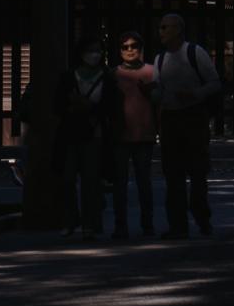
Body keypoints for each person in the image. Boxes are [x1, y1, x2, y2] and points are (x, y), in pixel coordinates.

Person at [153, 13, 220, 237]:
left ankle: (202, 217)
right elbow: (158, 89)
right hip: (171, 118)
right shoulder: (160, 59)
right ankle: (177, 224)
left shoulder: (194, 53)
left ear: (178, 30)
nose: (161, 31)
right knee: (173, 175)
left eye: (165, 27)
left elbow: (214, 83)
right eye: (160, 27)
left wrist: (194, 94)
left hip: (193, 117)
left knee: (198, 172)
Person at [55, 37, 116, 238]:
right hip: (70, 133)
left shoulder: (107, 77)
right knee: (67, 178)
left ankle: (91, 223)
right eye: (91, 50)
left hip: (94, 132)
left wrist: (89, 107)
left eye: (98, 50)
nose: (95, 54)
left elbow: (111, 106)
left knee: (92, 180)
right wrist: (73, 106)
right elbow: (57, 105)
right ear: (81, 53)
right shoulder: (68, 76)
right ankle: (70, 220)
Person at [110, 31, 157, 237]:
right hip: (120, 134)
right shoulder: (113, 74)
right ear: (120, 50)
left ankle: (147, 224)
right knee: (119, 183)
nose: (130, 50)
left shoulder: (152, 72)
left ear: (141, 48)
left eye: (134, 46)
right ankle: (121, 226)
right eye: (125, 47)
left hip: (144, 133)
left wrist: (151, 94)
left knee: (144, 182)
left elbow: (160, 99)